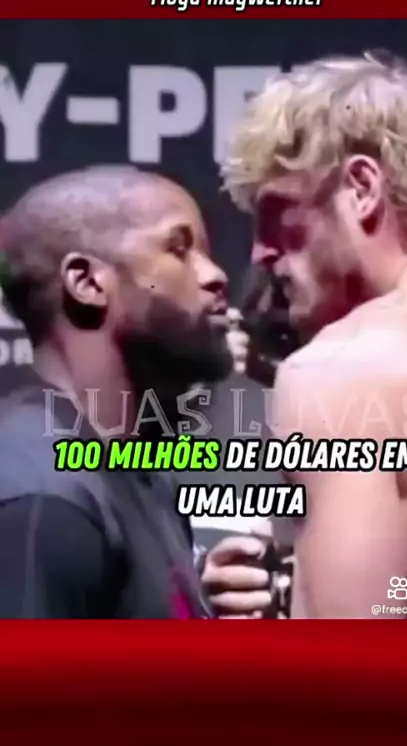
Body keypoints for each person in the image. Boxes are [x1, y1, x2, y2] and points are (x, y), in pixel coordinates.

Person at [221, 51, 407, 618]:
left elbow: (351, 650)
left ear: (362, 187)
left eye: (277, 212)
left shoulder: (341, 374)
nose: (260, 252)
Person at [0, 165, 272, 618]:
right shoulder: (44, 497)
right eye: (179, 249)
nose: (216, 275)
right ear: (87, 283)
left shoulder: (139, 471)